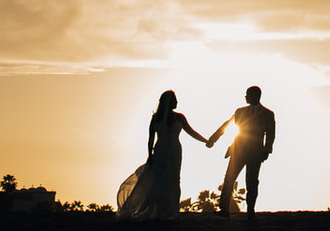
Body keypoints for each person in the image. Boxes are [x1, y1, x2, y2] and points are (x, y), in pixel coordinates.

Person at [116, 90, 208, 220]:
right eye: (175, 100)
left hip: (174, 151)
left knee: (173, 179)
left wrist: (205, 141)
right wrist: (150, 155)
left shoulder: (178, 117)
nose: (177, 102)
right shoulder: (156, 118)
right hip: (161, 151)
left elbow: (191, 132)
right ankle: (159, 210)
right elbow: (150, 139)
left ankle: (171, 210)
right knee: (159, 180)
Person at [206, 85, 275, 218]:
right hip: (238, 149)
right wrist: (213, 138)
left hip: (256, 152)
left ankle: (250, 211)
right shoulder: (239, 112)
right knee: (229, 179)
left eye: (247, 95)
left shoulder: (268, 114)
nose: (245, 97)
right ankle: (224, 209)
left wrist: (267, 150)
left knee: (252, 181)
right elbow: (227, 125)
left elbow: (271, 134)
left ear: (255, 96)